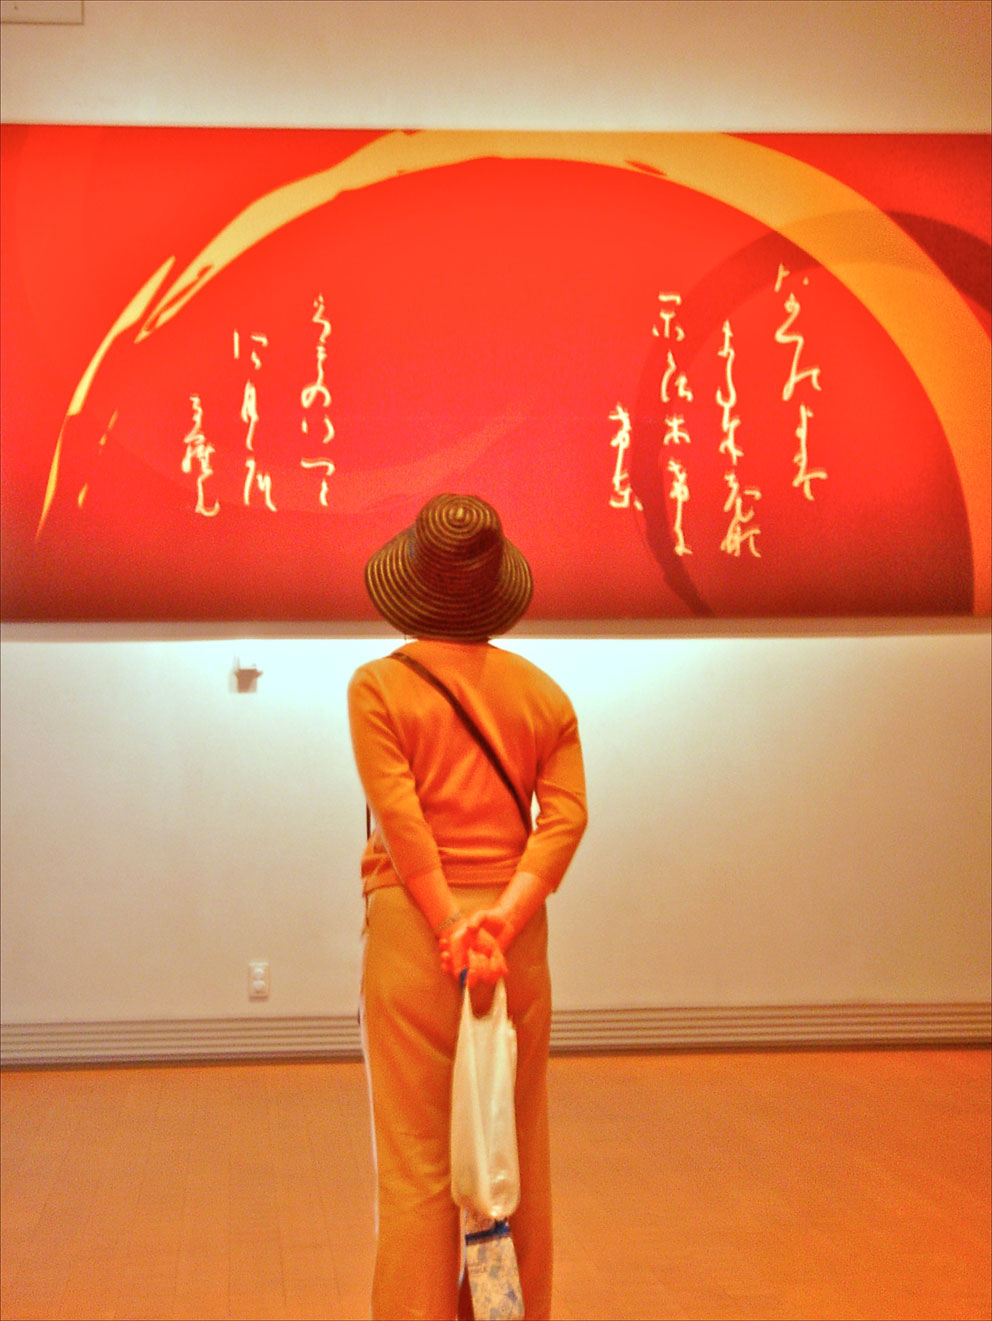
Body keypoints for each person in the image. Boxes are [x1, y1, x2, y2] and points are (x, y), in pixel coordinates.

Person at [348, 492, 587, 1321]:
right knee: (514, 1147)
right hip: (512, 944)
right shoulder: (543, 694)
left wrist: (451, 924)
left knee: (417, 1166)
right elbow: (565, 818)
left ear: (413, 582)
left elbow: (402, 820)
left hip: (417, 937)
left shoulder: (379, 687)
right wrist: (504, 920)